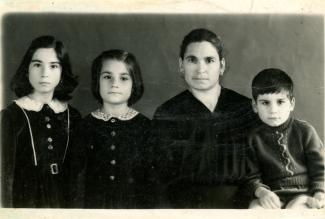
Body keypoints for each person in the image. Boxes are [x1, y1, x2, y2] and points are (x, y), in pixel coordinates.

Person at [151, 28, 259, 208]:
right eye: (192, 60)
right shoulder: (167, 113)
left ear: (222, 66)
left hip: (243, 207)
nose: (201, 69)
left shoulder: (245, 108)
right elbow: (158, 182)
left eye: (209, 60)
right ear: (181, 65)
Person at [0, 35, 81, 208]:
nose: (45, 73)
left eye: (53, 66)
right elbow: (4, 175)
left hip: (62, 199)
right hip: (26, 199)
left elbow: (77, 173)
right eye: (37, 65)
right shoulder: (11, 115)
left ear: (62, 72)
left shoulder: (72, 116)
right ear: (27, 70)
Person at [68, 49, 153, 208]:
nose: (114, 84)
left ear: (134, 83)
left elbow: (153, 185)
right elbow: (75, 181)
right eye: (107, 77)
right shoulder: (84, 126)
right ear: (97, 81)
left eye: (123, 78)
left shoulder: (146, 127)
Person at [246, 68, 324, 209]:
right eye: (265, 103)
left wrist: (319, 193)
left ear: (292, 103)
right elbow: (251, 177)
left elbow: (321, 169)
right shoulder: (253, 138)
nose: (273, 110)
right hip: (273, 196)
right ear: (254, 106)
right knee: (254, 209)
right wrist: (262, 192)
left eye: (280, 102)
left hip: (304, 194)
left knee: (295, 210)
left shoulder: (305, 131)